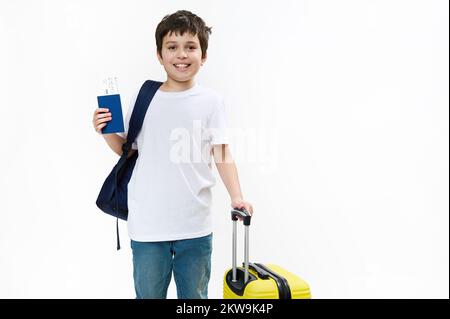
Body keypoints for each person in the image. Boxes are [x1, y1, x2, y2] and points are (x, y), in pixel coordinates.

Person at [92, 10, 253, 299]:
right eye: (172, 47)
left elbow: (222, 154)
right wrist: (105, 131)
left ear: (203, 56)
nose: (182, 55)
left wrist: (237, 196)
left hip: (195, 228)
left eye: (191, 47)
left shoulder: (211, 102)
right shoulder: (145, 97)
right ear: (159, 54)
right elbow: (126, 150)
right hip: (147, 229)